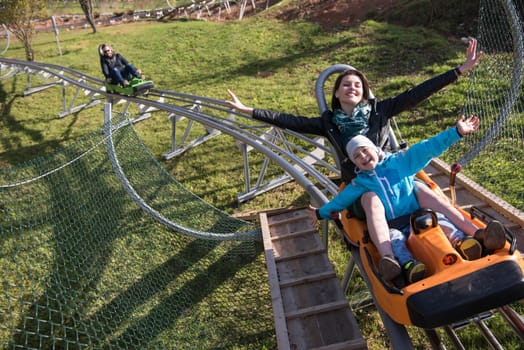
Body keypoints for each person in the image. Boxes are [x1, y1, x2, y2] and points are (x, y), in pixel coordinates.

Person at [226, 38, 483, 279]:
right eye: (346, 85)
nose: (352, 88)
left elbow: (417, 93)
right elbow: (290, 121)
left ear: (364, 93)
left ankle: (471, 234)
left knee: (420, 188)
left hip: (393, 176)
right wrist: (248, 111)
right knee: (372, 198)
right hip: (364, 188)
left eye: (357, 85)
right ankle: (391, 258)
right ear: (337, 93)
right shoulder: (329, 123)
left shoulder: (379, 111)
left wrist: (460, 69)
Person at [308, 115, 506, 284]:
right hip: (392, 224)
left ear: (375, 149)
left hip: (418, 214)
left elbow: (427, 148)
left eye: (365, 150)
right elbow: (340, 201)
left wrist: (457, 132)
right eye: (357, 156)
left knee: (442, 223)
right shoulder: (361, 183)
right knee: (395, 242)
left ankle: (468, 241)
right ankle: (404, 265)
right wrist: (319, 213)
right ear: (355, 163)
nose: (363, 156)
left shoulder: (400, 162)